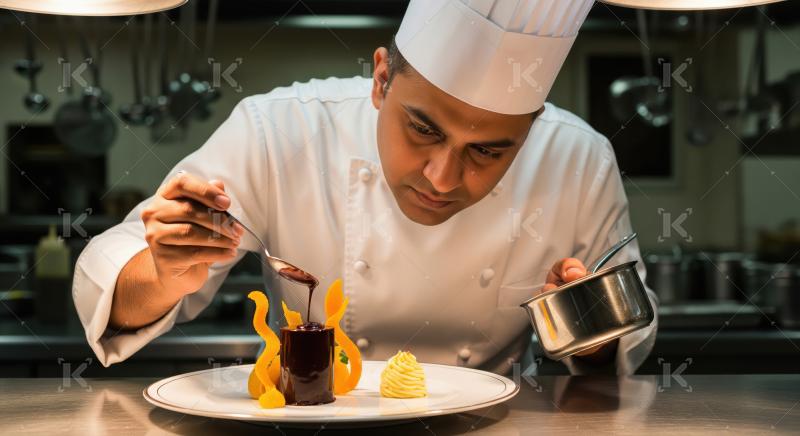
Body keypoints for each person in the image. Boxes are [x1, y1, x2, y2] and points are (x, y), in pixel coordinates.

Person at [73, 0, 657, 375]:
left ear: (532, 128)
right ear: (381, 79)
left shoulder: (578, 157)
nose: (442, 177)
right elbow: (109, 280)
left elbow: (626, 339)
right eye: (422, 128)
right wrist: (165, 270)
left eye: (488, 150)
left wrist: (585, 322)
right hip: (304, 420)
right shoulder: (280, 128)